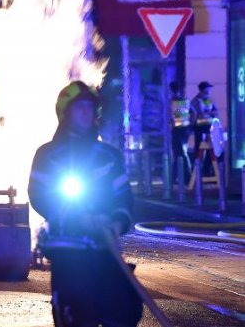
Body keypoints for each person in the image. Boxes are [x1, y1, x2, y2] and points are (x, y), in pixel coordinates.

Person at [28, 80, 143, 327]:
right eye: (79, 108)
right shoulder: (48, 155)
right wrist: (78, 218)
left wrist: (116, 222)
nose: (85, 113)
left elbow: (123, 196)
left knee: (123, 310)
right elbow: (40, 195)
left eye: (89, 108)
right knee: (76, 315)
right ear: (65, 112)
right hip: (68, 252)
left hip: (104, 250)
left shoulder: (109, 156)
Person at [170, 81, 191, 186]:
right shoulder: (184, 100)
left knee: (180, 154)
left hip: (178, 131)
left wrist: (173, 124)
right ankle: (177, 177)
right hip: (184, 130)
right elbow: (193, 112)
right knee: (181, 154)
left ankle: (185, 178)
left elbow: (174, 119)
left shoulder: (175, 101)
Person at [190, 81, 218, 155]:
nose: (209, 91)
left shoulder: (208, 100)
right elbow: (198, 114)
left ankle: (207, 165)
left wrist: (207, 113)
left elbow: (216, 112)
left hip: (208, 127)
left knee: (210, 149)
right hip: (200, 128)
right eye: (208, 89)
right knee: (199, 148)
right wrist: (209, 113)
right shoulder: (196, 101)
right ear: (203, 89)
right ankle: (198, 164)